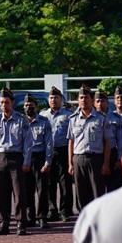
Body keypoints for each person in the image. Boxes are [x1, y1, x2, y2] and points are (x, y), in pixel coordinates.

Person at [0, 87, 33, 236]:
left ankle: (20, 223)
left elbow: (28, 142)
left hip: (16, 158)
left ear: (12, 102)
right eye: (1, 102)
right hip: (0, 158)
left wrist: (26, 161)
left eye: (6, 102)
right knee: (0, 193)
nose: (4, 105)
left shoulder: (21, 119)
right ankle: (4, 223)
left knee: (19, 193)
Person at [67, 85, 111, 214]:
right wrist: (70, 163)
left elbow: (107, 142)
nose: (83, 100)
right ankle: (83, 218)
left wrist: (106, 163)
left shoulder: (101, 118)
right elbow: (71, 141)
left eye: (86, 97)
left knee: (98, 192)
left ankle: (99, 219)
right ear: (78, 100)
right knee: (81, 193)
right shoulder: (73, 119)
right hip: (78, 158)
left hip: (96, 159)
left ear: (92, 100)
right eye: (81, 97)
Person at [40, 86, 73, 222]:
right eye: (51, 97)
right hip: (48, 152)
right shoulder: (43, 115)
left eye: (56, 97)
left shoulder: (68, 114)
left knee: (65, 183)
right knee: (49, 183)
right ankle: (52, 210)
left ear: (61, 99)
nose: (53, 100)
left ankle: (65, 211)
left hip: (63, 150)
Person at [24, 93, 53, 229]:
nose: (28, 107)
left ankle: (42, 217)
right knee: (27, 190)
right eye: (26, 105)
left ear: (36, 106)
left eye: (31, 105)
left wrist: (48, 161)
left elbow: (48, 143)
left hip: (39, 157)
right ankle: (30, 217)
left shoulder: (44, 121)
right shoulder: (21, 121)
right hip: (25, 159)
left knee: (42, 190)